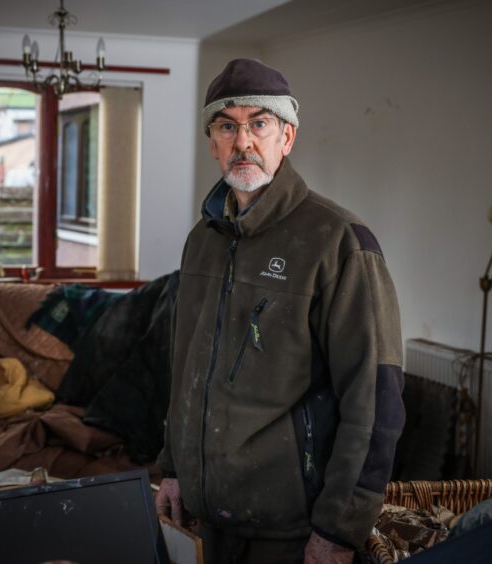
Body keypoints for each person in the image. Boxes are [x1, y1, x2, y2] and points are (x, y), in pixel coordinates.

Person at [156, 58, 405, 564]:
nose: (242, 142)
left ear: (287, 138)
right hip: (205, 520)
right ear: (212, 141)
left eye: (259, 124)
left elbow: (374, 399)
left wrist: (339, 528)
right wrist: (172, 466)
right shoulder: (201, 242)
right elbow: (184, 373)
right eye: (227, 126)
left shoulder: (339, 242)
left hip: (291, 530)